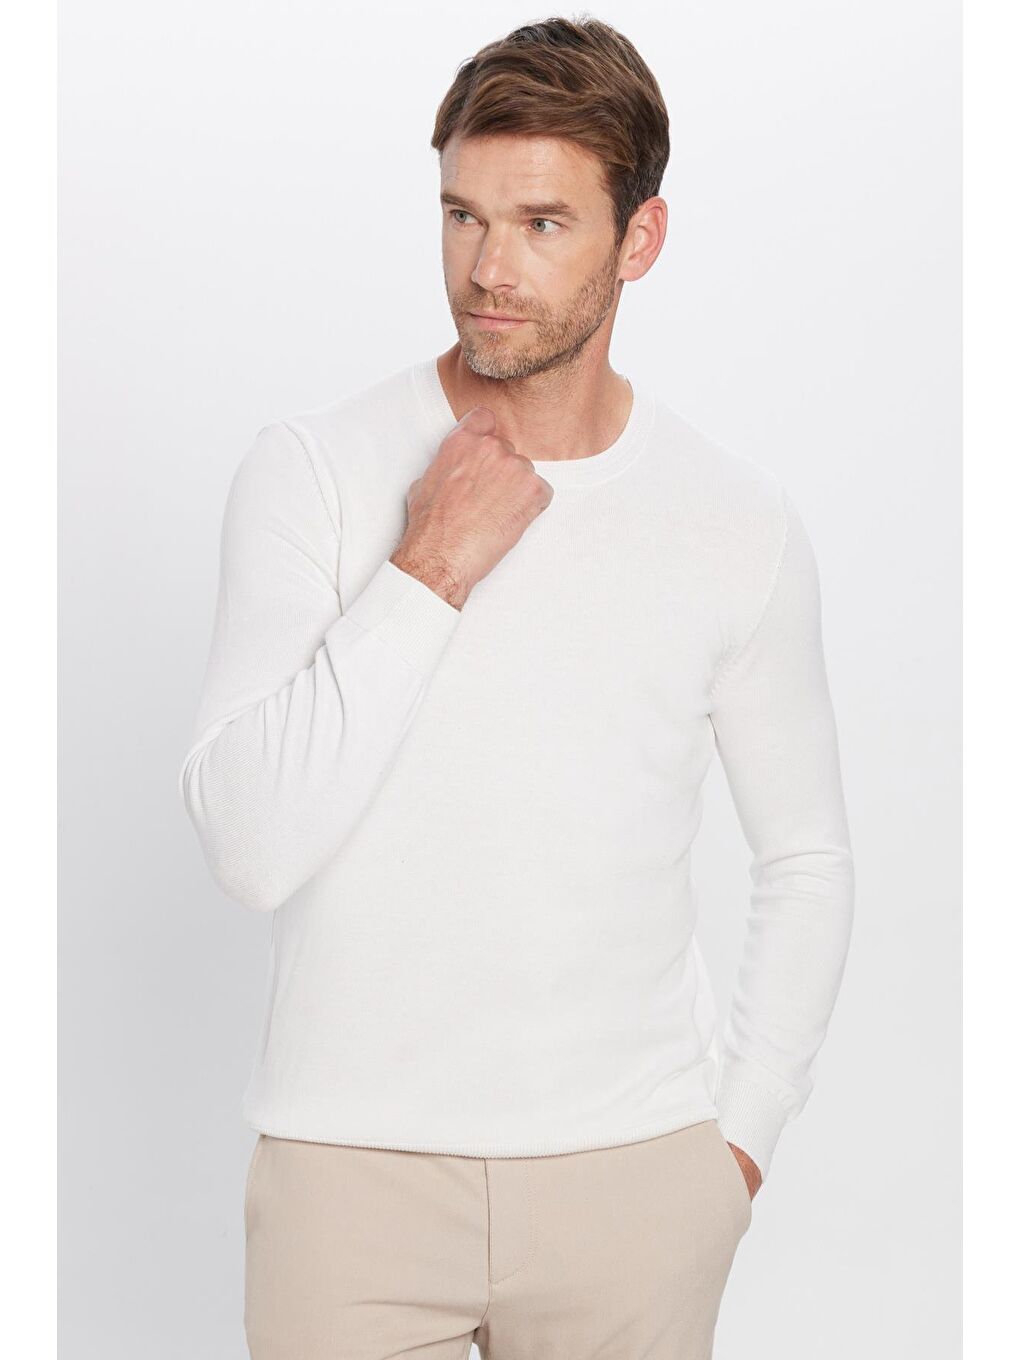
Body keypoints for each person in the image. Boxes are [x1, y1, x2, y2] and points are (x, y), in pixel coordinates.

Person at [178, 16, 855, 1359]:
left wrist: (736, 1151)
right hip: (348, 1184)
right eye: (463, 217)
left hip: (635, 1182)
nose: (489, 270)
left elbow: (808, 858)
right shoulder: (315, 472)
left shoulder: (735, 521)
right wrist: (427, 566)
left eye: (542, 224)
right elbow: (248, 848)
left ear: (639, 240)